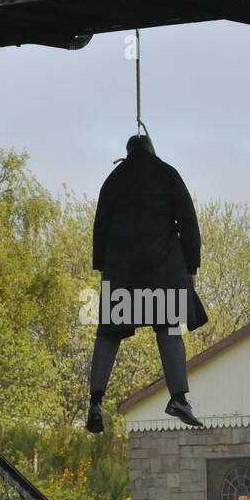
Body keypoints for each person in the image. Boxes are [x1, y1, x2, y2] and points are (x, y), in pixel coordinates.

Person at [87, 132, 206, 433]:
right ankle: (178, 398)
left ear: (127, 154)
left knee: (109, 333)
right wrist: (191, 266)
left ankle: (96, 401)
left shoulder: (114, 180)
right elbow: (189, 224)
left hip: (122, 273)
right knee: (168, 329)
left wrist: (102, 267)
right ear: (153, 150)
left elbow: (100, 227)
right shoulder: (168, 174)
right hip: (163, 271)